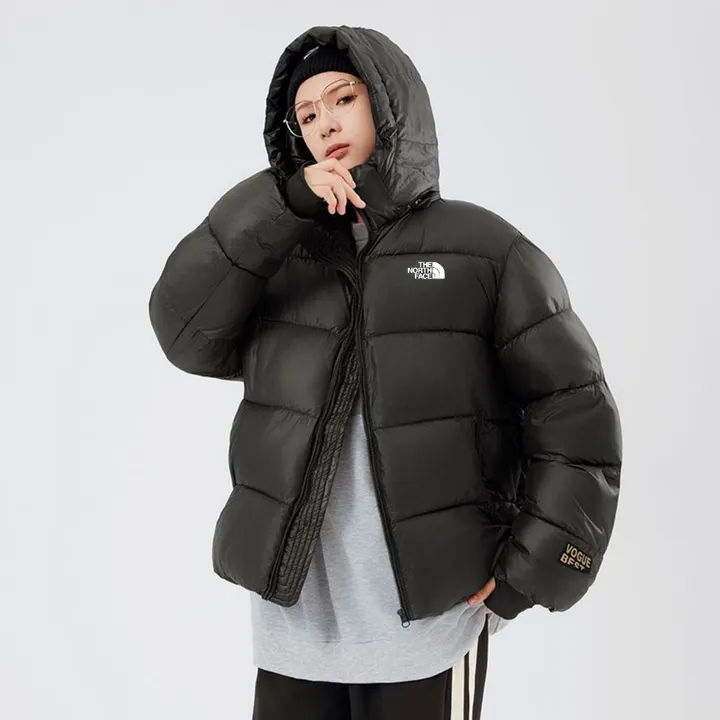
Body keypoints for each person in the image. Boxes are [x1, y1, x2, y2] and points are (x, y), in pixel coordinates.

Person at [148, 25, 623, 720]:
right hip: (294, 631)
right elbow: (183, 331)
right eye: (307, 114)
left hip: (428, 626)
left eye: (343, 98)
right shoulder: (281, 257)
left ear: (389, 104)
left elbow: (576, 416)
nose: (325, 123)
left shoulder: (485, 252)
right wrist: (279, 205)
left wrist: (537, 568)